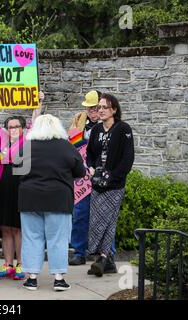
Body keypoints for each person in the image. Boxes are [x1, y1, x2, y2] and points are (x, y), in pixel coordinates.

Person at [18, 114, 86, 291]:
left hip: (30, 198)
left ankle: (32, 278)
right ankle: (58, 278)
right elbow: (80, 171)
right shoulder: (66, 147)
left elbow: (17, 171)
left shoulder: (27, 147)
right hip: (58, 198)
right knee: (58, 239)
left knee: (32, 237)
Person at [0, 91, 45, 281]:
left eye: (17, 126)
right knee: (5, 228)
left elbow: (36, 118)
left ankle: (20, 265)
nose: (13, 129)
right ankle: (7, 264)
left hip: (20, 184)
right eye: (10, 127)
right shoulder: (0, 136)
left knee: (18, 227)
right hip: (2, 184)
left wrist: (39, 101)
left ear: (22, 128)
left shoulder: (27, 137)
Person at [86, 93, 134, 277]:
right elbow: (90, 152)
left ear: (114, 109)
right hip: (97, 184)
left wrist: (113, 176)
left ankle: (103, 258)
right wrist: (90, 167)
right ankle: (107, 262)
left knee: (108, 221)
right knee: (97, 222)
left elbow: (128, 158)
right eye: (99, 107)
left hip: (114, 185)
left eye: (104, 107)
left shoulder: (123, 129)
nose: (100, 110)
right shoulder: (97, 130)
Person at [68, 90, 102, 266]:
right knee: (80, 214)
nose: (92, 112)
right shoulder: (79, 119)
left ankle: (101, 254)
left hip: (102, 176)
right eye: (89, 109)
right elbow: (70, 141)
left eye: (95, 108)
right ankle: (79, 252)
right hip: (82, 177)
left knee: (101, 216)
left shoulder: (109, 122)